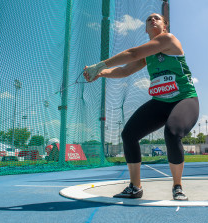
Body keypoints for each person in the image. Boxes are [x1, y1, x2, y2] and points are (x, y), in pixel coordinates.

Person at [83, 13, 199, 201]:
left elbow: (133, 53)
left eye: (157, 18)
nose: (152, 20)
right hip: (160, 102)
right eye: (148, 19)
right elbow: (125, 70)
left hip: (184, 99)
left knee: (172, 132)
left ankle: (177, 186)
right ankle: (135, 187)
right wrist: (101, 73)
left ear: (165, 26)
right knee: (129, 134)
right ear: (146, 29)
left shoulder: (168, 40)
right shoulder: (149, 55)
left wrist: (99, 65)